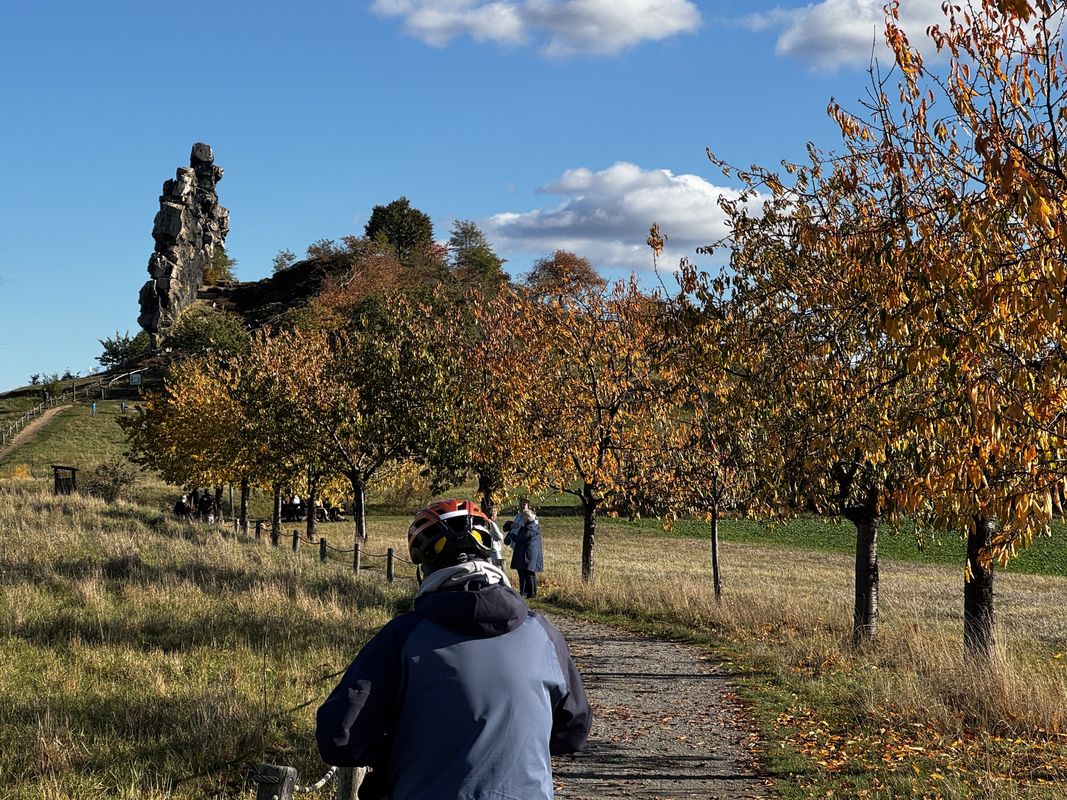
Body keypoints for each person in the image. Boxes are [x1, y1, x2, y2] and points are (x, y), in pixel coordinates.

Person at [316, 498, 590, 800]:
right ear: (492, 557)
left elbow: (338, 738)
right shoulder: (544, 634)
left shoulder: (404, 637)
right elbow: (573, 732)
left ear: (425, 569)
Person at [508, 499, 544, 599]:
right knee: (528, 573)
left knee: (527, 573)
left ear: (527, 518)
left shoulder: (530, 528)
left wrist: (512, 536)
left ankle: (530, 594)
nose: (522, 519)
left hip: (527, 553)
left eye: (523, 518)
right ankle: (529, 593)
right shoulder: (531, 527)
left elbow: (521, 539)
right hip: (528, 552)